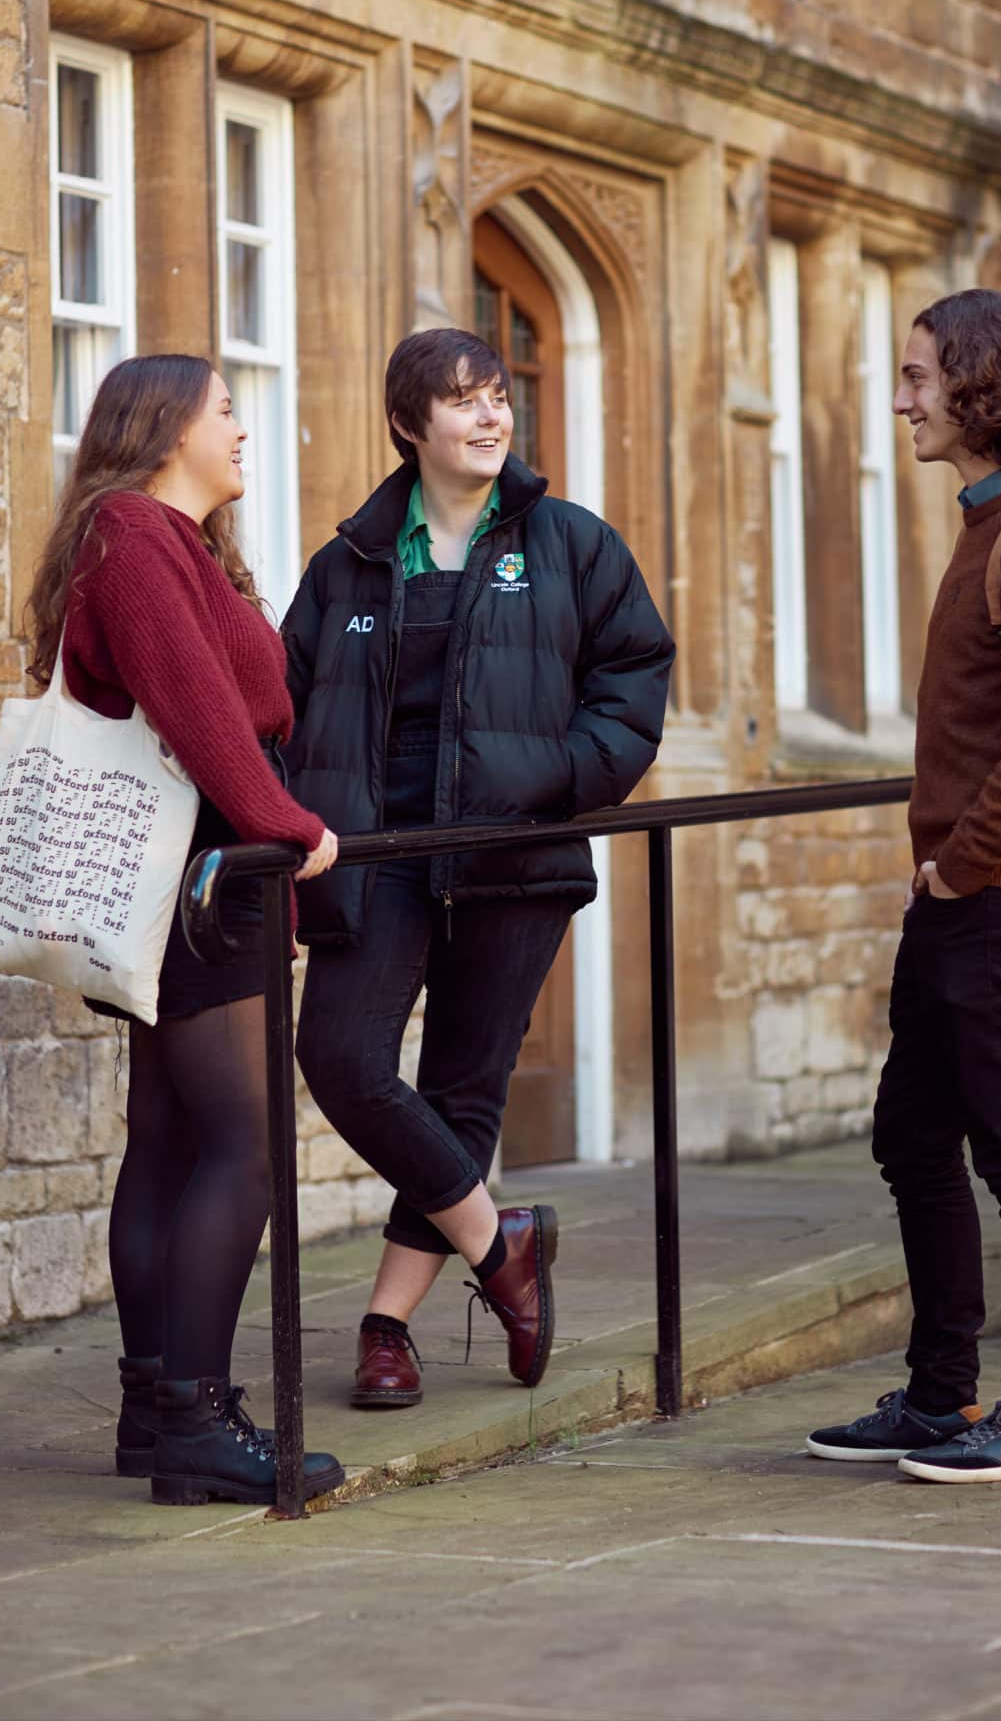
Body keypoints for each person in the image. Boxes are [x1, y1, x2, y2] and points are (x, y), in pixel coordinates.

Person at [282, 327, 674, 1409]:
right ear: (411, 425)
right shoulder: (350, 563)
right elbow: (286, 706)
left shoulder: (570, 545)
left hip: (515, 848)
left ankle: (386, 1327)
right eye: (462, 400)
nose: (491, 415)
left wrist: (554, 779)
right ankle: (500, 1247)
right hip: (376, 856)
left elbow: (637, 678)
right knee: (344, 1057)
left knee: (464, 1087)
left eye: (497, 395)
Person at [25, 353, 345, 1508]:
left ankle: (158, 1409)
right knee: (241, 1150)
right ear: (166, 430)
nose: (241, 429)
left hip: (180, 878)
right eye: (224, 411)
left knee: (167, 1142)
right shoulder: (135, 535)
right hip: (203, 880)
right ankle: (198, 1423)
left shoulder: (166, 541)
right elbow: (201, 712)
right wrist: (290, 826)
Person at [807, 290, 1001, 1483]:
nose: (902, 401)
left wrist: (957, 864)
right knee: (912, 1135)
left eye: (919, 377)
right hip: (964, 897)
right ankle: (942, 1399)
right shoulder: (991, 524)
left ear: (982, 387)